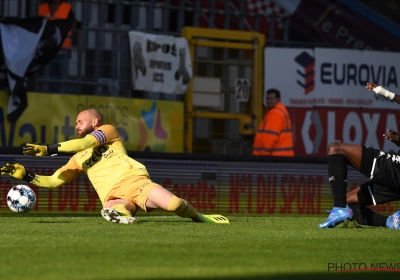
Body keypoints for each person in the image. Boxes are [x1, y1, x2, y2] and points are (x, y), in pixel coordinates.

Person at [0, 109, 229, 225]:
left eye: (80, 121)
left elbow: (84, 142)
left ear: (95, 122)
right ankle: (120, 215)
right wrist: (27, 175)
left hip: (137, 183)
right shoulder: (77, 159)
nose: (76, 125)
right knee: (116, 207)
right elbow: (52, 181)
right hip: (112, 194)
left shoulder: (108, 132)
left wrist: (48, 148)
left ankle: (200, 217)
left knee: (175, 204)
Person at [317, 82, 400, 229]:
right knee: (349, 201)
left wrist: (385, 93)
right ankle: (390, 222)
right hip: (396, 182)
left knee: (335, 148)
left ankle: (339, 209)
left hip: (395, 170)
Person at [38, 0, 76, 93]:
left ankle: (63, 97)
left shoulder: (67, 8)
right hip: (47, 48)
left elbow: (74, 25)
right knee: (48, 75)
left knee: (62, 76)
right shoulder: (42, 8)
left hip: (63, 47)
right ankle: (48, 95)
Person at [252, 88, 294, 156]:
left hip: (275, 158)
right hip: (281, 157)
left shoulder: (275, 113)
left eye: (271, 99)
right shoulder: (281, 111)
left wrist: (263, 157)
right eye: (267, 99)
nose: (268, 101)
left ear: (278, 99)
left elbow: (270, 137)